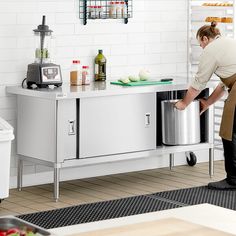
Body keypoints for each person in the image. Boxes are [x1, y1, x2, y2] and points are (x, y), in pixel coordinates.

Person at [175, 21, 236, 190]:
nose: (201, 48)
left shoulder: (210, 50)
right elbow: (223, 85)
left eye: (200, 44)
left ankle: (233, 180)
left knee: (229, 132)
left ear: (205, 39)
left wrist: (183, 103)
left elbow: (199, 82)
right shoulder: (228, 42)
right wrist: (208, 103)